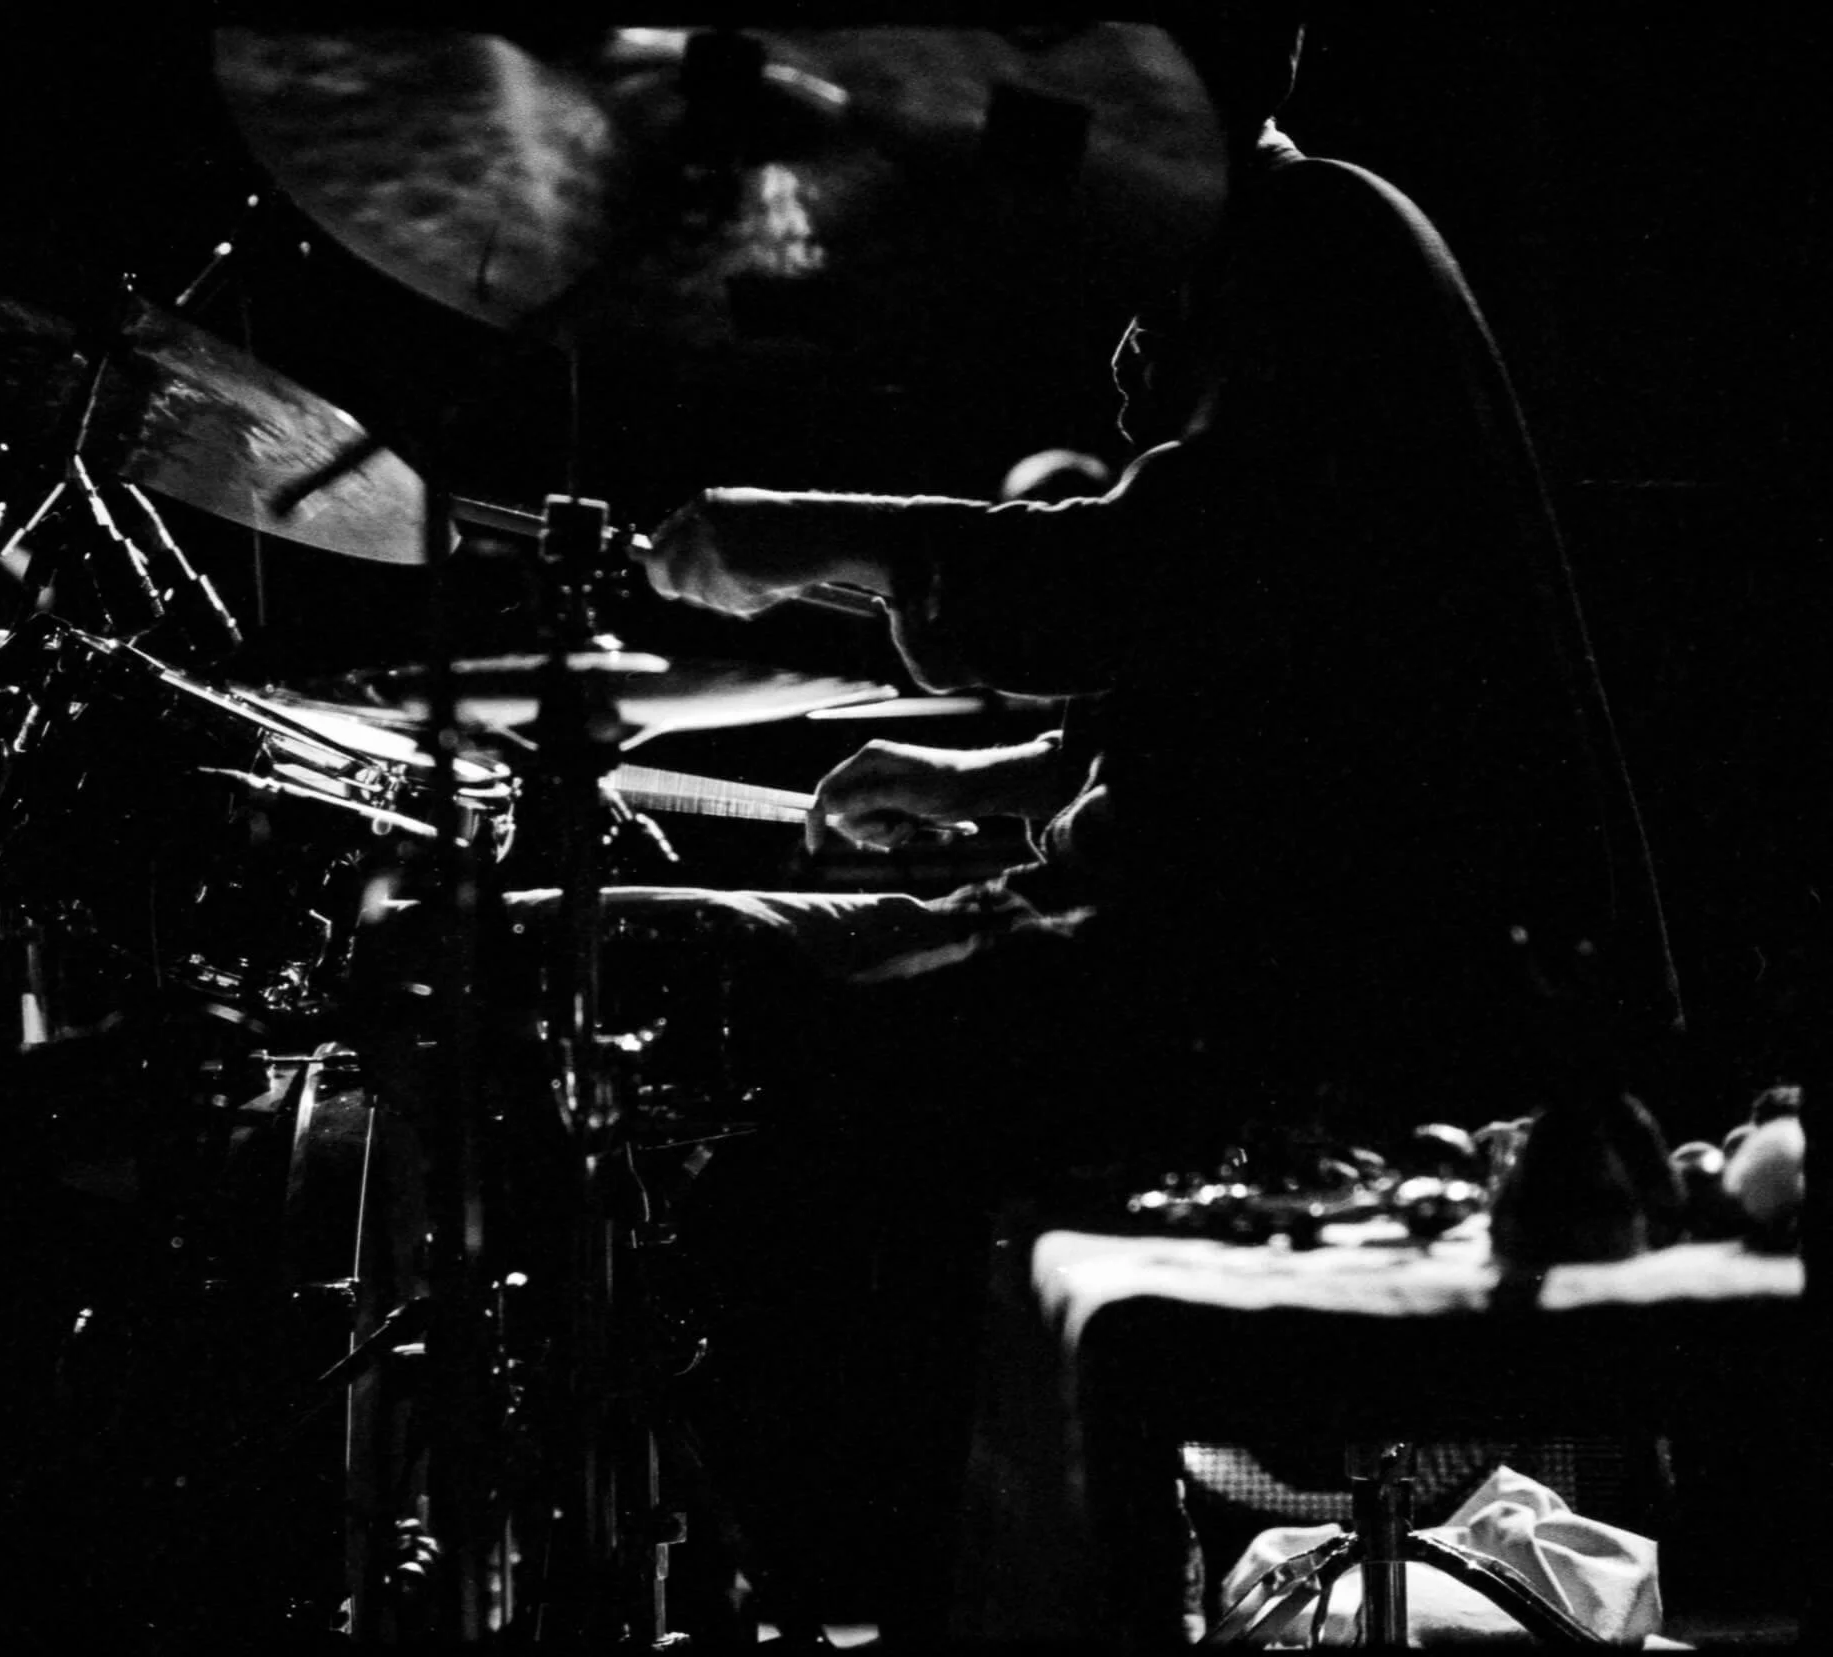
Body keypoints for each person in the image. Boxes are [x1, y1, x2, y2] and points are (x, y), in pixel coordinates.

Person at [610, 11, 1679, 1638]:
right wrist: (995, 782)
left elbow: (1160, 570)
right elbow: (1254, 670)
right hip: (1275, 931)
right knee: (771, 1000)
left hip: (1379, 972)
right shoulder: (1252, 264)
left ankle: (960, 1598)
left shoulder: (1322, 241)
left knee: (827, 1071)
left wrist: (816, 531)